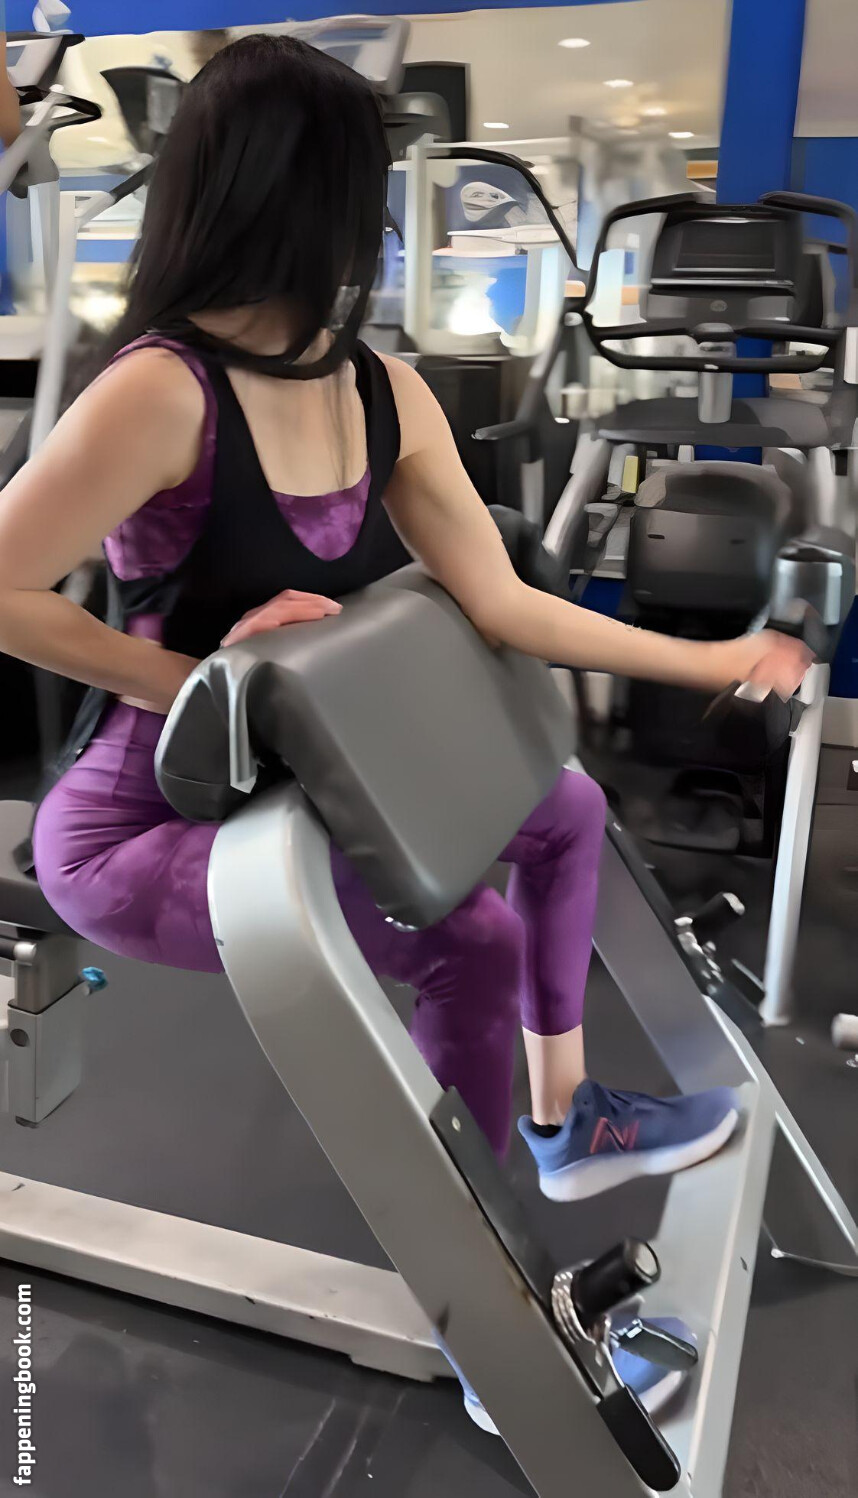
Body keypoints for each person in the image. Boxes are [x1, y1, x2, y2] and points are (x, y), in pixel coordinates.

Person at [0, 36, 807, 1205]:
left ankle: (565, 1117)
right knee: (470, 938)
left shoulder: (382, 389)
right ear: (302, 195)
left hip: (295, 773)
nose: (373, 221)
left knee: (567, 806)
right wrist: (201, 680)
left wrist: (715, 657)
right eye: (360, 184)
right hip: (138, 826)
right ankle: (485, 1280)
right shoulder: (162, 390)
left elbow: (504, 602)